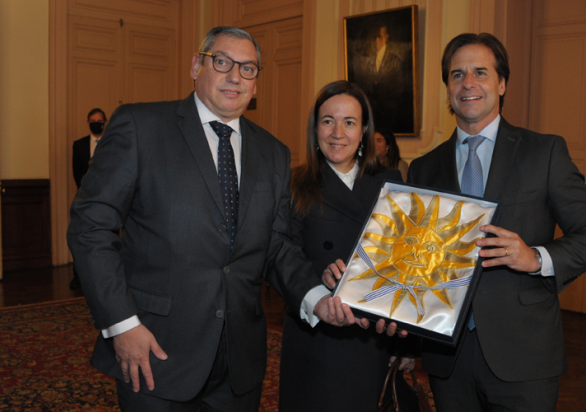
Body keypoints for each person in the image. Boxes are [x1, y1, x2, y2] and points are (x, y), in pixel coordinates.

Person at [67, 26, 368, 411]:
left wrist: (317, 299)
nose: (234, 76)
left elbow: (275, 245)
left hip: (238, 366)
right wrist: (122, 325)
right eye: (222, 61)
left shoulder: (273, 153)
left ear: (256, 84)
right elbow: (91, 227)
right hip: (154, 352)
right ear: (196, 65)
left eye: (247, 68)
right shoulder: (141, 127)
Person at [407, 33, 586, 411]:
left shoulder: (544, 152)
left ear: (501, 83)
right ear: (447, 88)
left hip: (524, 355)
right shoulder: (422, 168)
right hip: (447, 357)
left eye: (480, 72)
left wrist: (535, 257)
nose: (468, 83)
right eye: (457, 75)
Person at [278, 80, 411, 411]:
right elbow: (282, 253)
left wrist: (410, 340)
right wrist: (318, 284)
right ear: (315, 129)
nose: (337, 132)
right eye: (328, 121)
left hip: (374, 339)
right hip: (316, 338)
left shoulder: (390, 182)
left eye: (349, 122)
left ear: (364, 130)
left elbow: (409, 260)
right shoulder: (294, 183)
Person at [70, 108, 107, 290]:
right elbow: (77, 173)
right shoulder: (79, 145)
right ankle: (78, 277)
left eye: (99, 120)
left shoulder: (112, 143)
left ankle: (107, 277)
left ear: (105, 122)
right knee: (82, 238)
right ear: (88, 122)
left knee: (107, 241)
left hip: (109, 201)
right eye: (92, 120)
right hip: (85, 200)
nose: (96, 122)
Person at [356, 25, 404, 131]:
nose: (377, 40)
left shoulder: (395, 61)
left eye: (379, 37)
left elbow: (399, 89)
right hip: (372, 114)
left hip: (389, 113)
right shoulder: (369, 62)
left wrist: (380, 86)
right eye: (374, 38)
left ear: (386, 37)